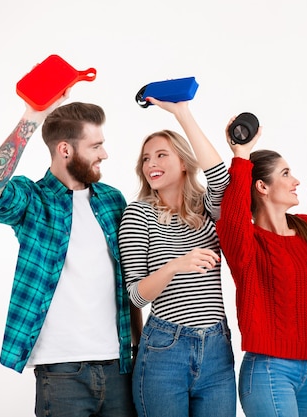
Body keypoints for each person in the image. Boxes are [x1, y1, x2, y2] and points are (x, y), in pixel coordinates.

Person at [0, 92, 142, 417]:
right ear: (65, 149)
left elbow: (127, 280)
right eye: (95, 146)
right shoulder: (33, 200)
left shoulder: (112, 201)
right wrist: (32, 116)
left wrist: (137, 350)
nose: (105, 154)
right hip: (61, 372)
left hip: (119, 366)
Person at [117, 97, 236, 417]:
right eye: (145, 158)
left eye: (161, 155)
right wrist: (175, 265)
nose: (151, 163)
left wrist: (182, 113)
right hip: (164, 350)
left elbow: (221, 179)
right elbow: (136, 295)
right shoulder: (138, 214)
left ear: (184, 161)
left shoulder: (208, 209)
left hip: (217, 351)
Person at [216, 121, 307, 416]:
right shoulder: (246, 243)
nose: (296, 181)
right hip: (268, 371)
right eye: (286, 174)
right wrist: (241, 155)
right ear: (262, 186)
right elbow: (233, 214)